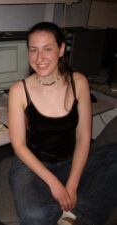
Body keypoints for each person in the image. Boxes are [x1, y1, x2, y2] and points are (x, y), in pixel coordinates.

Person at [8, 21, 117, 225]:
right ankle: (77, 214)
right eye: (33, 50)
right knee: (35, 215)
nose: (39, 58)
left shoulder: (79, 82)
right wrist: (55, 185)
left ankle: (71, 216)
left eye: (47, 49)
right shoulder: (18, 90)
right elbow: (19, 147)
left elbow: (84, 137)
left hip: (69, 161)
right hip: (32, 165)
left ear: (61, 50)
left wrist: (72, 184)